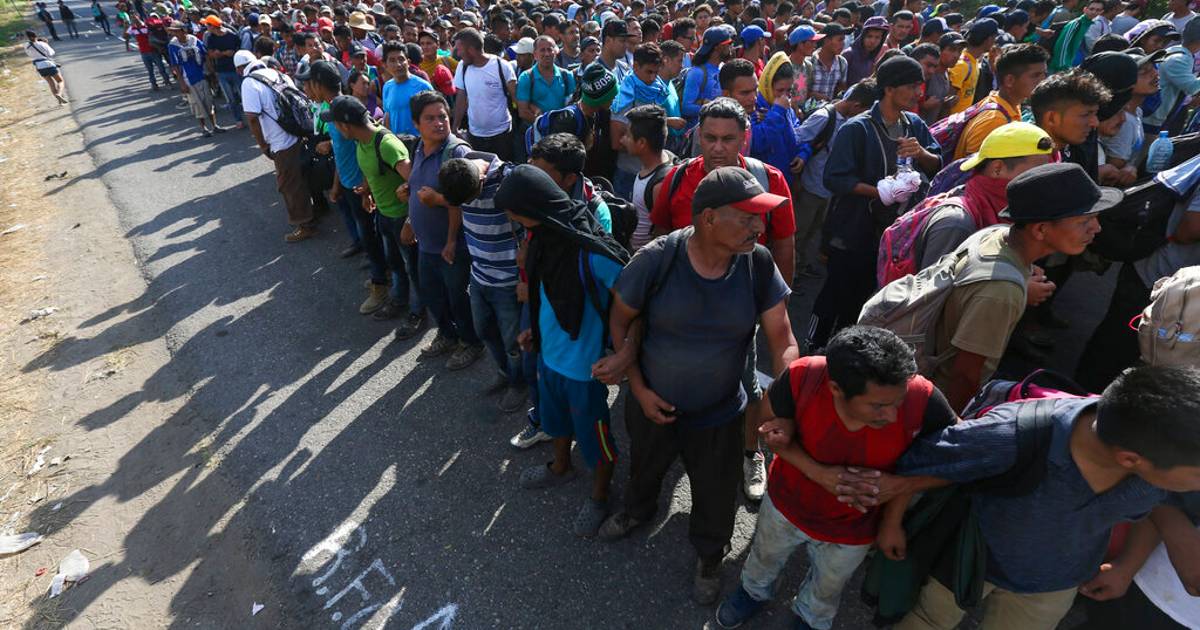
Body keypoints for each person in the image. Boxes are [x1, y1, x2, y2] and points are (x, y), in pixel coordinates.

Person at [601, 165, 799, 606]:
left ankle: (710, 555)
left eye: (760, 216)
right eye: (747, 217)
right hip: (653, 403)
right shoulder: (658, 258)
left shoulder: (757, 263)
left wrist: (785, 400)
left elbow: (783, 338)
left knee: (716, 492)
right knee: (644, 468)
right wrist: (638, 388)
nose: (758, 226)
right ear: (708, 218)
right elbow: (620, 321)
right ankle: (636, 511)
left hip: (720, 412)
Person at [892, 365, 1200, 630]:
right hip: (969, 562)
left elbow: (1157, 507)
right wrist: (890, 524)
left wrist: (1126, 568)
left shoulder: (1156, 472)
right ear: (1130, 460)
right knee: (929, 620)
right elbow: (917, 465)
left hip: (1054, 587)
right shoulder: (1012, 434)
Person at [715, 326, 955, 630]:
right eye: (879, 406)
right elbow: (765, 424)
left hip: (854, 530)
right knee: (764, 557)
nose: (893, 416)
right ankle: (753, 592)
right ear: (836, 389)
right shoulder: (804, 376)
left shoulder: (923, 398)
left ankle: (811, 617)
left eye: (898, 402)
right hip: (785, 507)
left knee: (828, 586)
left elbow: (957, 463)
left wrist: (895, 503)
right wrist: (817, 471)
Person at [498, 165, 630, 537]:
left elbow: (634, 303)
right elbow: (545, 294)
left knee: (595, 438)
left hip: (584, 370)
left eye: (515, 215)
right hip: (548, 357)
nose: (513, 222)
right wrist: (535, 331)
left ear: (533, 208)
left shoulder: (592, 253)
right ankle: (560, 466)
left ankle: (600, 496)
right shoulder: (544, 238)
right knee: (554, 422)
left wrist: (624, 354)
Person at [928, 162, 1116, 411]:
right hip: (940, 402)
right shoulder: (1001, 292)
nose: (1097, 228)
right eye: (1084, 220)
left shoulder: (996, 234)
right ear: (1040, 229)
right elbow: (964, 377)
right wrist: (953, 425)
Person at [807, 55, 941, 352]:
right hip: (852, 229)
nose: (918, 93)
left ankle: (843, 351)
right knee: (835, 292)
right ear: (889, 89)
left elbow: (937, 162)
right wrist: (880, 192)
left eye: (919, 86)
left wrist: (920, 154)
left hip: (892, 234)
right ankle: (813, 347)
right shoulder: (857, 129)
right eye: (911, 86)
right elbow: (835, 179)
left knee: (864, 297)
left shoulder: (914, 124)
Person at [437, 153, 526, 412]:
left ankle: (519, 383)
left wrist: (526, 278)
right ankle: (505, 372)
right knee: (484, 330)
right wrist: (451, 241)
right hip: (478, 276)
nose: (467, 205)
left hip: (508, 281)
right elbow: (454, 205)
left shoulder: (510, 181)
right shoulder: (457, 172)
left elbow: (533, 229)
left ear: (482, 180)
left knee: (513, 341)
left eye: (469, 200)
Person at [300, 61, 387, 315]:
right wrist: (337, 185)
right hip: (348, 184)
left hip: (361, 188)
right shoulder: (330, 109)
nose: (306, 89)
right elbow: (340, 152)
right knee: (367, 236)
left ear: (318, 84)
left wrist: (366, 188)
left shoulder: (345, 110)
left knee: (372, 236)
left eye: (308, 84)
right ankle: (381, 275)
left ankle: (381, 284)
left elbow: (366, 148)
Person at [406, 92, 484, 368]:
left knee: (458, 297)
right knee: (432, 293)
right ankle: (448, 335)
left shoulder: (457, 152)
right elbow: (417, 187)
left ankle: (471, 343)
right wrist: (409, 221)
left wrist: (451, 240)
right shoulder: (418, 147)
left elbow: (463, 200)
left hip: (452, 245)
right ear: (416, 123)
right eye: (430, 118)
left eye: (442, 116)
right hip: (426, 242)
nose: (439, 123)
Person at [915, 122, 1056, 270]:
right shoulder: (956, 223)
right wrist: (1018, 280)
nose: (1041, 183)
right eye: (1035, 173)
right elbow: (930, 284)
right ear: (997, 169)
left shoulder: (1004, 213)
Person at [791, 80, 877, 281]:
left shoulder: (846, 120)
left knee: (813, 232)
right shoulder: (823, 117)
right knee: (798, 232)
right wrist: (801, 161)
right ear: (856, 106)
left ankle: (800, 268)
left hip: (826, 189)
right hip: (810, 187)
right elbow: (796, 139)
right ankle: (789, 277)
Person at [238, 50, 315, 242]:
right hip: (298, 133)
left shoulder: (249, 83)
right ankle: (316, 211)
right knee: (303, 176)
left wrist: (263, 146)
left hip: (281, 142)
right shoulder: (277, 74)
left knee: (289, 184)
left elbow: (252, 119)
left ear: (240, 69)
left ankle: (305, 224)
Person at [953, 43, 1049, 160]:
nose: (1044, 80)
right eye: (1036, 75)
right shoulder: (995, 120)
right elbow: (973, 168)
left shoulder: (1010, 104)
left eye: (1045, 74)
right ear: (1009, 80)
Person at [611, 43, 681, 199]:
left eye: (656, 72)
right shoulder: (625, 96)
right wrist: (648, 147)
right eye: (649, 72)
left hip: (652, 173)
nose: (652, 78)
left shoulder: (656, 89)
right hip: (629, 174)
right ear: (636, 66)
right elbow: (616, 142)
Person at [452, 28, 518, 160]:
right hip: (475, 136)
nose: (458, 54)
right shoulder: (462, 67)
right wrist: (455, 127)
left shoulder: (502, 66)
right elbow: (461, 99)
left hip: (502, 135)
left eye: (460, 50)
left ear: (471, 50)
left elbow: (516, 97)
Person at [621, 104, 674, 251]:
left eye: (627, 135)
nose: (622, 140)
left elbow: (661, 235)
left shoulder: (659, 185)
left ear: (642, 143)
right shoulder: (658, 161)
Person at [168, 22, 224, 138]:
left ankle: (214, 125)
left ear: (183, 30)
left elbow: (205, 55)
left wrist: (211, 72)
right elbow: (175, 66)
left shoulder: (194, 40)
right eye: (173, 31)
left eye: (177, 30)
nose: (175, 33)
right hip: (188, 79)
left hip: (202, 75)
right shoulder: (173, 45)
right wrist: (181, 83)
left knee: (209, 102)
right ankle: (204, 128)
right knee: (197, 104)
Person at [1144, 19, 1200, 134]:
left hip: (1159, 116)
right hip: (1153, 118)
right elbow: (1193, 87)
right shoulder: (1179, 59)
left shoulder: (1176, 51)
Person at [516, 36, 576, 127]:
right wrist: (545, 126)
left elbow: (572, 105)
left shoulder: (567, 76)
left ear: (555, 52)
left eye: (549, 49)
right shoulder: (526, 77)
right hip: (537, 130)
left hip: (563, 129)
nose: (547, 54)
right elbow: (523, 112)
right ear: (535, 54)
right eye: (542, 50)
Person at [682, 24, 734, 126]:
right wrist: (714, 109)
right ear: (718, 47)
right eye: (729, 43)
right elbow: (686, 108)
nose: (731, 47)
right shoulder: (697, 73)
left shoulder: (723, 68)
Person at [379, 42, 434, 136]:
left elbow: (434, 116)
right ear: (385, 65)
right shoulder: (387, 87)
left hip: (420, 142)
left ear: (408, 62)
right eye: (392, 60)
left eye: (401, 59)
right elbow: (388, 116)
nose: (398, 64)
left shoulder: (423, 87)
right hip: (397, 142)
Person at [946, 17, 997, 115]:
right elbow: (947, 102)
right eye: (994, 38)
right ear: (989, 39)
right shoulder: (962, 65)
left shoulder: (974, 61)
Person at [202, 16, 245, 129]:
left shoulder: (232, 36)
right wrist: (224, 53)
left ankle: (252, 117)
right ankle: (238, 119)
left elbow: (240, 50)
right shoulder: (211, 38)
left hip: (236, 70)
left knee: (244, 95)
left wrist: (222, 53)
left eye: (208, 25)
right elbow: (210, 54)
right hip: (221, 71)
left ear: (213, 26)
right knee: (231, 98)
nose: (207, 28)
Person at [1051, 0, 1104, 73]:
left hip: (1072, 66)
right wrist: (1064, 68)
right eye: (1091, 9)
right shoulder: (1076, 24)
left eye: (1098, 10)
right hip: (1061, 68)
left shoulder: (1088, 23)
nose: (1094, 12)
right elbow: (1062, 46)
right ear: (1085, 9)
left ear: (1101, 12)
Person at [24, 30, 67, 105]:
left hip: (39, 66)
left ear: (28, 37)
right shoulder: (42, 44)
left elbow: (29, 54)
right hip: (48, 64)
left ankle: (60, 102)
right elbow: (51, 53)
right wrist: (46, 45)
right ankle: (59, 94)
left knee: (51, 83)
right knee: (60, 81)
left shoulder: (26, 46)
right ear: (36, 36)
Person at [128, 16, 171, 91]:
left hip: (153, 51)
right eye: (134, 20)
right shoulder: (133, 29)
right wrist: (128, 27)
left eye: (137, 20)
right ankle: (154, 84)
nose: (136, 22)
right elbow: (125, 36)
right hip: (144, 53)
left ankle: (167, 82)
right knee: (150, 70)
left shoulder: (147, 27)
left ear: (139, 19)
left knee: (161, 68)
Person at [844, 15, 888, 86]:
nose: (872, 41)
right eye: (869, 36)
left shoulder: (874, 57)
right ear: (862, 36)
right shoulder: (849, 54)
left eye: (877, 37)